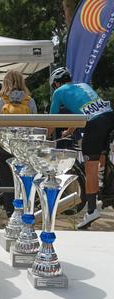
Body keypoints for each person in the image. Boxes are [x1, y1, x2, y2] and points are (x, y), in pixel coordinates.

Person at [49, 67, 114, 229]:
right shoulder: (84, 85)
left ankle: (91, 210)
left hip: (95, 125)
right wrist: (69, 131)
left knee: (90, 169)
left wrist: (44, 138)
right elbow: (85, 111)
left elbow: (51, 120)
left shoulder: (58, 92)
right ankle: (105, 192)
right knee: (103, 159)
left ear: (56, 83)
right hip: (109, 117)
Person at [0, 70, 38, 217]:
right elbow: (36, 124)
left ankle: (11, 214)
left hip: (4, 148)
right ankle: (26, 213)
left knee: (8, 183)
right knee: (24, 182)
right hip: (24, 149)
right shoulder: (30, 101)